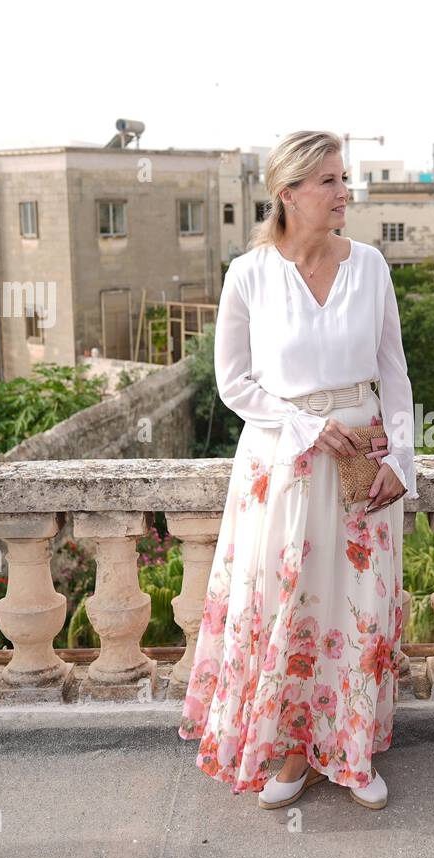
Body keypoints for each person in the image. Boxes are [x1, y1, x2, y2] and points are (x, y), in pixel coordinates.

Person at [178, 130, 418, 813]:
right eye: (330, 182)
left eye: (345, 179)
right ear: (288, 193)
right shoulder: (248, 274)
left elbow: (395, 371)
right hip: (282, 464)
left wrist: (402, 459)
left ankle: (350, 749)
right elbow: (234, 383)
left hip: (361, 465)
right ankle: (289, 750)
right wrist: (310, 427)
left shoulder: (371, 265)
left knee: (357, 606)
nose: (346, 193)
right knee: (286, 605)